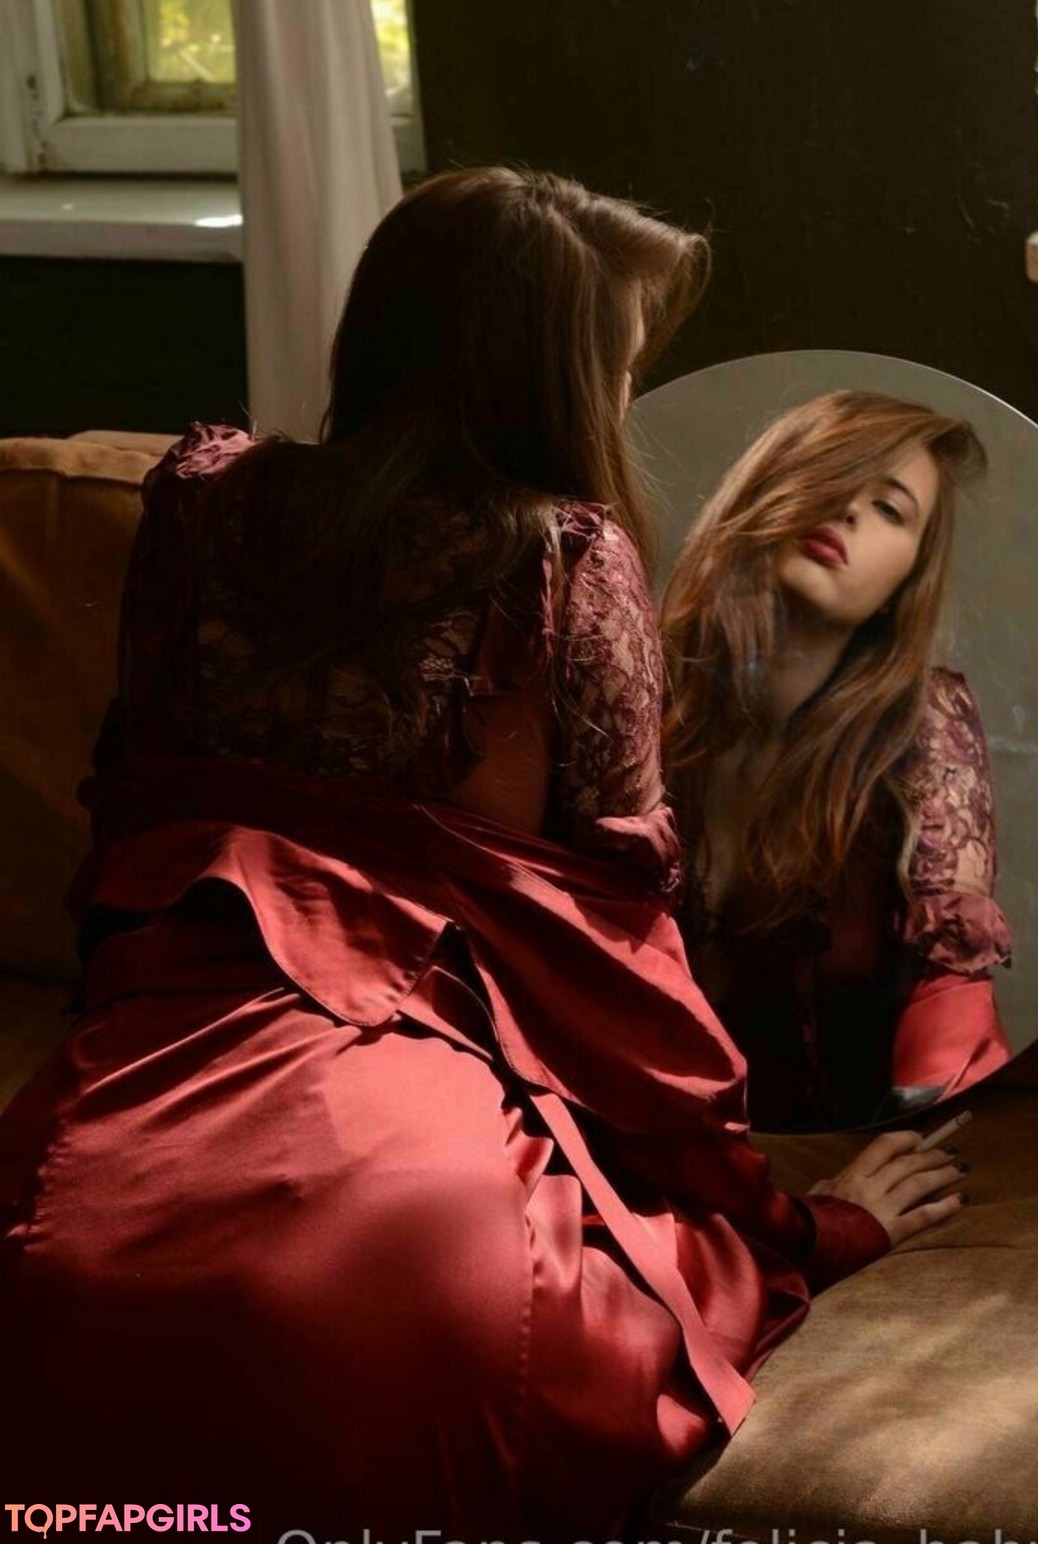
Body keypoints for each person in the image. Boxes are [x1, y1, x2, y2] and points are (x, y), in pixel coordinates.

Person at [0, 175, 968, 1542]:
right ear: (547, 373)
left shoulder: (199, 511)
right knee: (513, 1323)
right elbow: (626, 974)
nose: (623, 398)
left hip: (113, 1155)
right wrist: (802, 1227)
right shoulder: (566, 562)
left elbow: (127, 839)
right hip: (401, 1184)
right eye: (617, 365)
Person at [662, 390, 1012, 1133]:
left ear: (903, 585)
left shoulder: (923, 724)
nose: (849, 508)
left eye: (889, 508)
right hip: (637, 1148)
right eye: (833, 472)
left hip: (836, 1161)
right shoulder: (640, 686)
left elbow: (952, 1015)